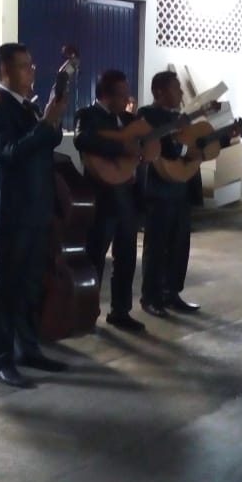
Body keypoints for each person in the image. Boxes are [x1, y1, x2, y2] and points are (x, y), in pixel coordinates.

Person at [0, 42, 68, 389]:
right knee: (3, 288)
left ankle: (27, 348)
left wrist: (50, 119)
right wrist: (46, 124)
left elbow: (48, 140)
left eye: (31, 65)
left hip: (35, 208)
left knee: (30, 285)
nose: (31, 72)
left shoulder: (26, 107)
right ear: (4, 72)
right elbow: (12, 152)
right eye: (24, 66)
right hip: (8, 211)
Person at [73, 69, 145, 333]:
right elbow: (83, 139)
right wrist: (120, 148)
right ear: (106, 95)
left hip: (126, 195)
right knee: (95, 258)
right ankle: (87, 311)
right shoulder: (88, 115)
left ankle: (121, 310)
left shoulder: (128, 119)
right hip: (101, 197)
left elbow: (143, 144)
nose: (127, 98)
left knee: (126, 257)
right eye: (122, 93)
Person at [136, 71, 204, 317]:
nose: (181, 93)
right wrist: (185, 146)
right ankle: (151, 297)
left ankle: (172, 293)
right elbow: (160, 146)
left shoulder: (181, 118)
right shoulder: (147, 115)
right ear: (158, 92)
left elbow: (192, 145)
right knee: (157, 246)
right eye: (176, 88)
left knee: (179, 244)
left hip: (181, 187)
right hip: (158, 187)